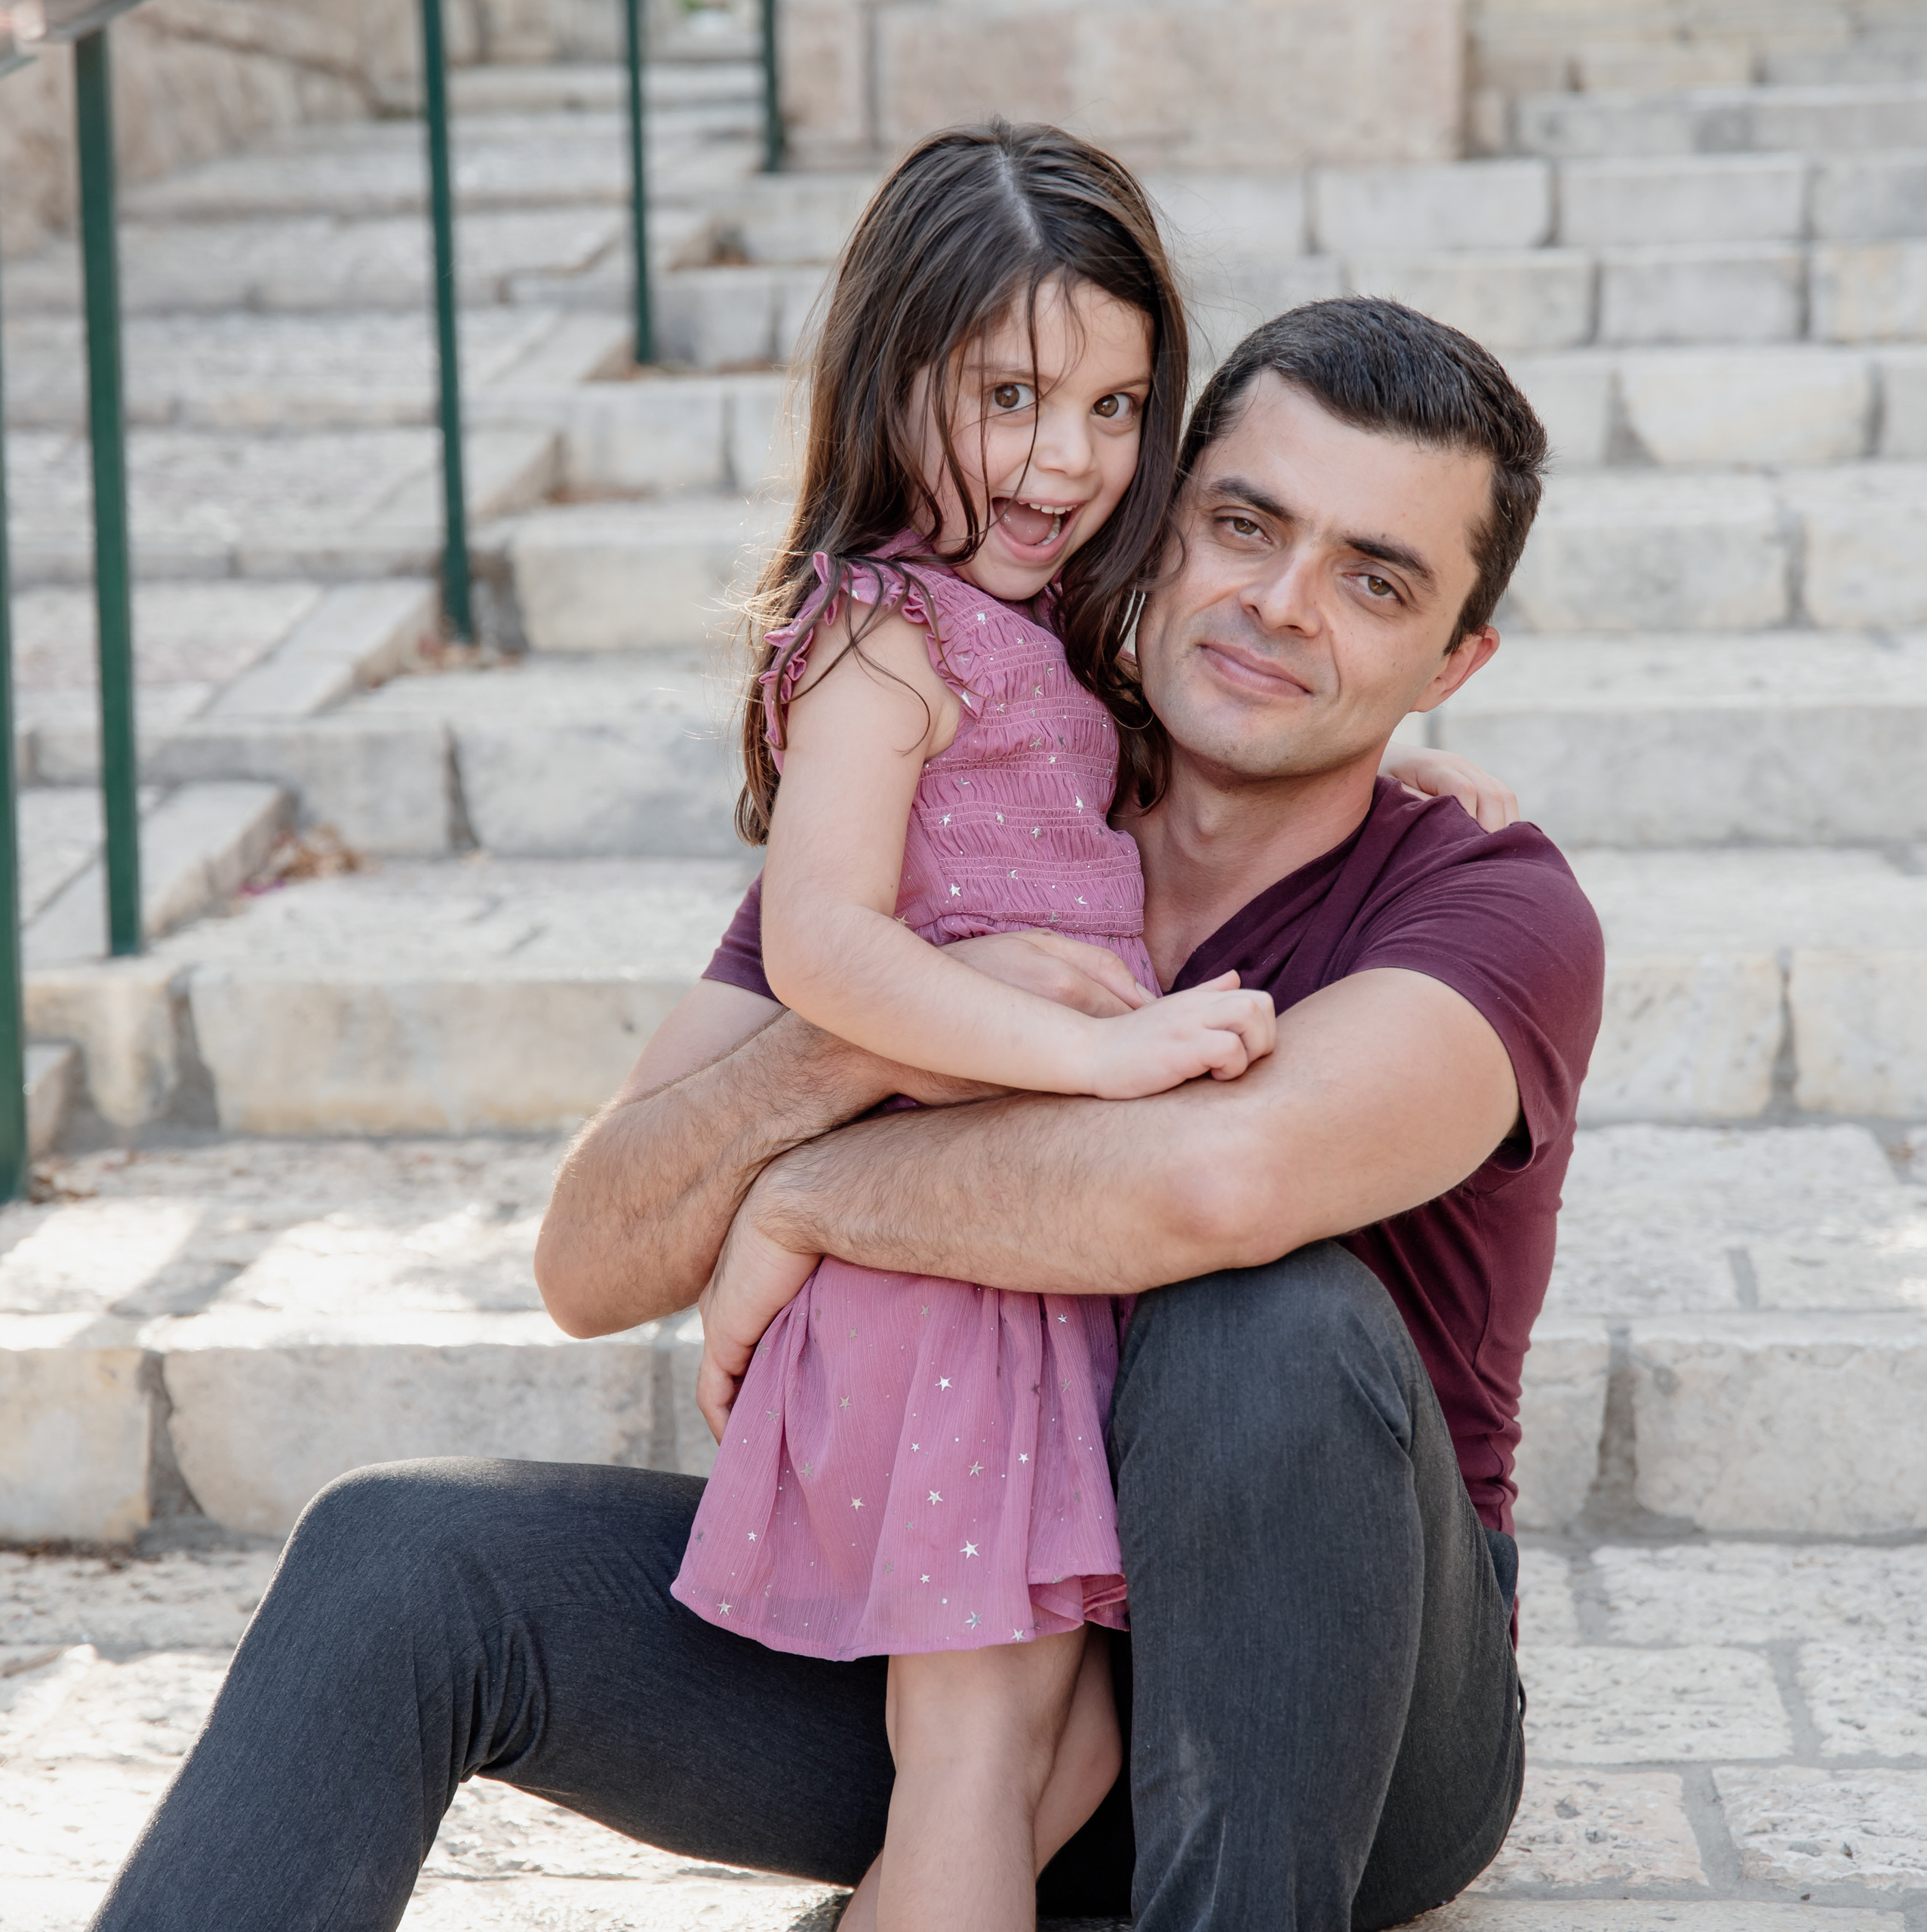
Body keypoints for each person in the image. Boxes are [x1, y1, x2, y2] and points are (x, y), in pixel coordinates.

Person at [89, 289, 1597, 1932]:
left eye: (1372, 579)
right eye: (1244, 522)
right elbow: (593, 1257)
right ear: (1159, 522)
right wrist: (839, 1047)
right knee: (395, 1556)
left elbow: (1213, 1183)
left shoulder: (1484, 906)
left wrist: (810, 1195)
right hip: (952, 1655)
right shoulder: (950, 819)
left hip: (1353, 1728)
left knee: (1270, 1318)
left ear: (1454, 659)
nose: (1279, 603)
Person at [669, 123, 1280, 1932]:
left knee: (1064, 1738)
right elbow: (829, 947)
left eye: (1111, 407)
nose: (1063, 459)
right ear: (890, 377)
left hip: (1017, 1259)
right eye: (1008, 394)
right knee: (968, 1750)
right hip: (931, 1282)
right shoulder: (873, 636)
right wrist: (1097, 1059)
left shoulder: (1046, 641)